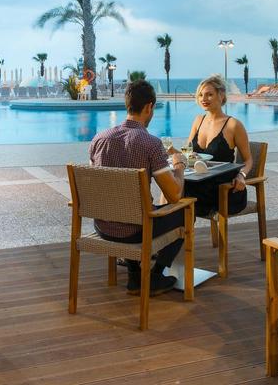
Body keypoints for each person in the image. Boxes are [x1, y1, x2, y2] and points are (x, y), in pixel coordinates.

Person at [89, 79, 187, 296]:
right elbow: (174, 196)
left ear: (128, 104)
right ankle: (153, 276)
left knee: (130, 210)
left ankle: (135, 276)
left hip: (102, 227)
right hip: (135, 232)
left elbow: (97, 186)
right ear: (149, 107)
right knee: (185, 212)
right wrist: (179, 166)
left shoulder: (99, 139)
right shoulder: (150, 144)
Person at [182, 75, 253, 217]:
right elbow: (187, 152)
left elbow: (248, 160)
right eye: (201, 95)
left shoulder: (233, 125)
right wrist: (173, 151)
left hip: (224, 189)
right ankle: (177, 234)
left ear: (221, 96)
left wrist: (241, 175)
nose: (204, 99)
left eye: (209, 94)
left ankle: (170, 233)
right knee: (172, 187)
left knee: (176, 193)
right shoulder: (198, 121)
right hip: (198, 182)